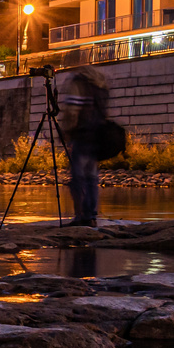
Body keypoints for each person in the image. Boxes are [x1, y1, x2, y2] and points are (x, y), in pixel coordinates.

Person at [56, 66, 110, 227]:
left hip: (81, 135)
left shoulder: (79, 82)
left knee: (78, 178)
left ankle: (81, 217)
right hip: (97, 135)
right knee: (92, 178)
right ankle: (91, 216)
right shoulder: (101, 84)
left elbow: (73, 110)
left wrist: (66, 131)